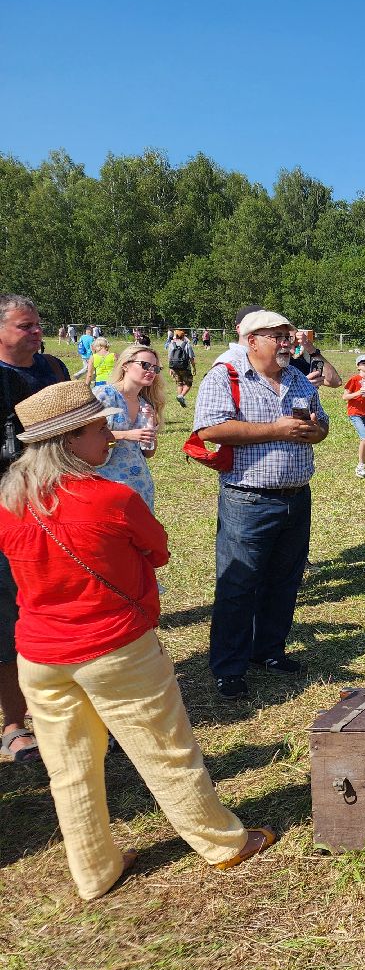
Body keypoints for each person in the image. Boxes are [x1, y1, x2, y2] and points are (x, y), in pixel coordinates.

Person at [0, 381, 275, 898]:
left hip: (37, 654)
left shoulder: (9, 502)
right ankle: (221, 844)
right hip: (115, 647)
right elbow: (159, 550)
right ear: (70, 439)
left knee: (69, 769)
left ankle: (94, 871)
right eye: (99, 427)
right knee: (167, 752)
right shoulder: (111, 497)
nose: (110, 434)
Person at [192, 309, 328, 700]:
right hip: (248, 499)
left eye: (289, 336)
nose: (287, 343)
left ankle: (267, 651)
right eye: (278, 337)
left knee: (284, 581)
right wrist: (278, 429)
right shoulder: (226, 377)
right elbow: (210, 428)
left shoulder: (299, 378)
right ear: (252, 341)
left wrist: (314, 430)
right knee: (239, 585)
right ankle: (229, 667)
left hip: (297, 497)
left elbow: (324, 425)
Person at [0, 295, 68, 764]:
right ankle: (13, 723)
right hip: (9, 509)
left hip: (57, 504)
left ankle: (58, 708)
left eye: (38, 325)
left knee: (56, 605)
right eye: (26, 326)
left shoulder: (54, 368)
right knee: (10, 617)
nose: (36, 332)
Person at [95, 344, 164, 509]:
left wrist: (150, 431)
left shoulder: (145, 405)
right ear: (125, 365)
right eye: (145, 365)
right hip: (107, 483)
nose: (151, 371)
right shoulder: (105, 394)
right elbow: (85, 436)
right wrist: (127, 435)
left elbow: (148, 453)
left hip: (140, 487)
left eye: (156, 368)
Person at [343, 355, 365, 478]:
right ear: (358, 366)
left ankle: (362, 462)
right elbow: (345, 397)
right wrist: (358, 393)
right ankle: (360, 467)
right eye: (364, 363)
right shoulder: (354, 380)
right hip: (355, 413)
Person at [166, 327, 195, 407]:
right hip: (185, 367)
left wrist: (170, 368)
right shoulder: (187, 345)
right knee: (188, 383)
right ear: (183, 336)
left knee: (179, 383)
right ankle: (181, 396)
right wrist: (194, 367)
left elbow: (170, 357)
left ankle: (180, 397)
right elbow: (191, 357)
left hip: (174, 366)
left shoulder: (171, 345)